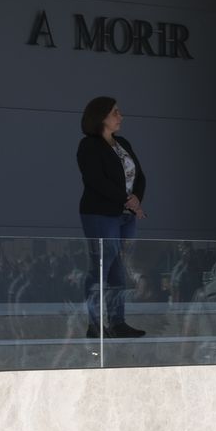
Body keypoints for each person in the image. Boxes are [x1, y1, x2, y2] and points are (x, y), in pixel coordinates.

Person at [76, 96, 146, 339]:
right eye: (115, 112)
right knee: (101, 269)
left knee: (119, 269)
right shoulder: (89, 145)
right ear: (101, 116)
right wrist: (127, 200)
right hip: (101, 214)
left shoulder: (123, 142)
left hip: (126, 216)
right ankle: (95, 325)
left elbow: (140, 176)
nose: (121, 116)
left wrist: (136, 197)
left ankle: (117, 322)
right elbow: (95, 180)